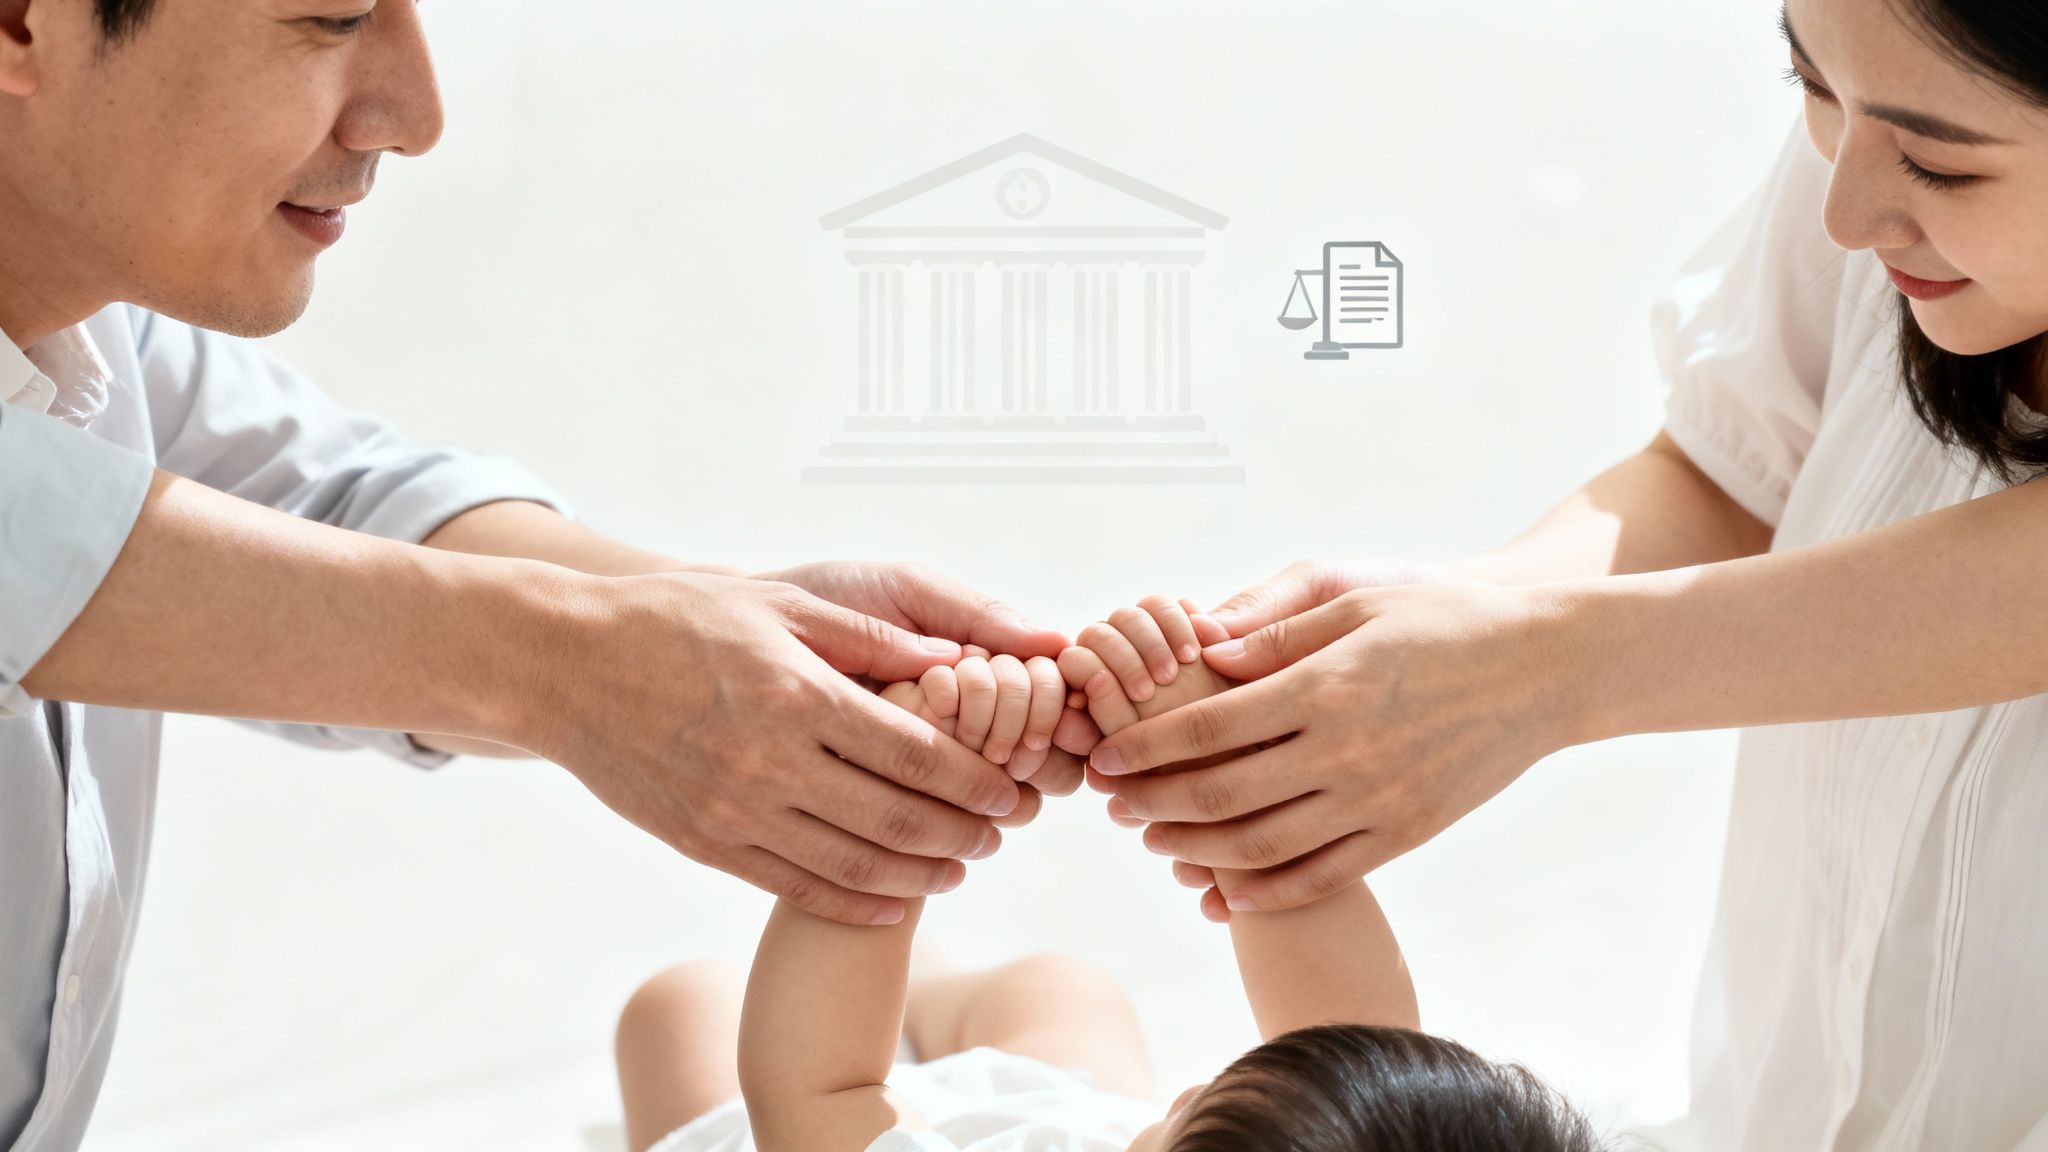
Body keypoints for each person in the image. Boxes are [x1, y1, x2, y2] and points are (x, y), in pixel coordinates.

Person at [0, 2, 1098, 1148]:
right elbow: (50, 548)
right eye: (328, 18)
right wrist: (584, 666)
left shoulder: (86, 315)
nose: (414, 118)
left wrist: (735, 636)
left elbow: (327, 508)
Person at [1082, 0, 2048, 1147]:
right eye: (1809, 86)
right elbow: (1735, 467)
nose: (1840, 215)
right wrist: (1465, 622)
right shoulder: (1896, 104)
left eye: (1940, 166)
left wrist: (1535, 667)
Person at [613, 599, 1602, 1152]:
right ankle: (924, 998)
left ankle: (902, 990)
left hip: (828, 1128)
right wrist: (1203, 762)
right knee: (1061, 987)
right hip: (1061, 1123)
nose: (1202, 1077)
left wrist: (905, 808)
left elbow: (815, 1087)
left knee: (681, 1008)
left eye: (1194, 1109)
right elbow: (1348, 1032)